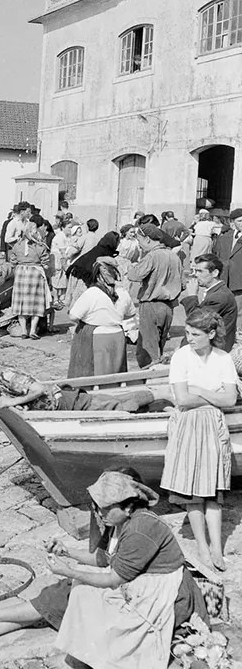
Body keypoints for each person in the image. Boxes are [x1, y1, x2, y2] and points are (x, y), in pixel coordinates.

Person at [0, 469, 207, 669]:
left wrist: (70, 570)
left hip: (166, 597)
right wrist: (67, 552)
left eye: (105, 509)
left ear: (129, 507)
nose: (100, 514)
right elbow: (103, 558)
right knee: (73, 586)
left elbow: (113, 578)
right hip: (143, 584)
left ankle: (76, 658)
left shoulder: (141, 528)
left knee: (81, 589)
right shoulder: (119, 522)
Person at [161, 308, 237, 571]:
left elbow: (230, 400)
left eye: (195, 334)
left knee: (213, 491)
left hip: (213, 426)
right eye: (187, 333)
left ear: (211, 334)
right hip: (189, 425)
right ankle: (202, 547)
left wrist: (201, 391)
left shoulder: (223, 358)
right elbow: (182, 399)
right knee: (193, 491)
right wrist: (213, 394)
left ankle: (217, 547)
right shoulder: (181, 357)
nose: (189, 338)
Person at [0, 336, 153, 412]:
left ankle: (156, 397)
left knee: (119, 406)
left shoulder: (5, 374)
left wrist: (12, 402)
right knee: (113, 402)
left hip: (66, 401)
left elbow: (38, 388)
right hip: (62, 402)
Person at [67, 258, 135, 378]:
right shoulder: (123, 293)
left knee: (92, 373)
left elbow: (73, 316)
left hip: (95, 336)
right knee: (115, 373)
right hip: (117, 335)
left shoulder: (92, 293)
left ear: (97, 276)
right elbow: (130, 314)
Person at [128, 224, 183, 368]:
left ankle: (150, 379)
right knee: (160, 344)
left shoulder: (152, 256)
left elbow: (135, 275)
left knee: (148, 350)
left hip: (151, 305)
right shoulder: (173, 256)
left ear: (147, 239)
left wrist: (131, 267)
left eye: (139, 240)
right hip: (168, 307)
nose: (139, 245)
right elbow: (182, 284)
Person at [181, 253, 237, 352]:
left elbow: (197, 321)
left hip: (213, 351)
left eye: (200, 271)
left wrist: (192, 296)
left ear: (215, 273)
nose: (195, 275)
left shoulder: (219, 296)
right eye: (195, 270)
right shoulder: (216, 292)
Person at [8, 220, 51, 340]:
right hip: (35, 274)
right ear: (31, 232)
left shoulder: (17, 245)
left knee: (21, 304)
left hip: (21, 273)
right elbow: (45, 262)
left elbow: (13, 261)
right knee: (36, 304)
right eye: (35, 230)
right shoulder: (40, 246)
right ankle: (32, 331)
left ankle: (23, 331)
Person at [64, 231, 120, 309]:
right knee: (82, 302)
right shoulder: (106, 252)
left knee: (78, 302)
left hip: (78, 270)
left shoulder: (100, 247)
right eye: (118, 242)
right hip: (83, 275)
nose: (118, 244)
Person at [212, 207, 242, 329]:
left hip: (239, 281)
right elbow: (215, 256)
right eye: (240, 221)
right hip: (223, 281)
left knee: (239, 312)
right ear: (232, 222)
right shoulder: (224, 237)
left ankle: (238, 337)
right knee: (220, 311)